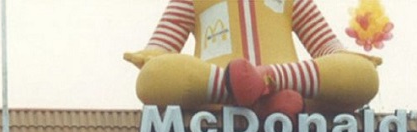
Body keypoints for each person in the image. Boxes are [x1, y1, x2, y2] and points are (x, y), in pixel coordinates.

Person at [124, 0, 381, 120]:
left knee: (365, 76)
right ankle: (235, 86)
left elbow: (328, 48)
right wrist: (149, 57)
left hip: (291, 87)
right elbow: (161, 47)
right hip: (212, 95)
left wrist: (349, 64)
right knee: (152, 78)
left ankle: (265, 81)